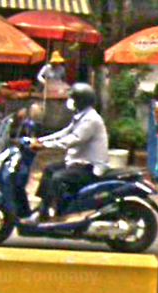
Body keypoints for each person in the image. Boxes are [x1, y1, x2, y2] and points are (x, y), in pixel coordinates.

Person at [25, 83, 109, 224]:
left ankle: (59, 213)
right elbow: (65, 132)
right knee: (49, 170)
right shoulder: (81, 116)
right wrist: (40, 140)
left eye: (73, 98)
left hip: (89, 167)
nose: (70, 102)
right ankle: (44, 209)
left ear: (81, 101)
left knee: (57, 178)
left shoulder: (91, 120)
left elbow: (73, 139)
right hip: (77, 163)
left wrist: (45, 146)